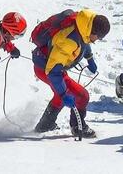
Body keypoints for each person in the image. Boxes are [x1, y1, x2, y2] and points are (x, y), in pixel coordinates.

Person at [32, 9, 110, 138]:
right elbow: (53, 72)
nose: (98, 40)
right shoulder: (68, 41)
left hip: (50, 65)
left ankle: (45, 125)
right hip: (46, 69)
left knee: (62, 94)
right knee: (81, 95)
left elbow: (84, 41)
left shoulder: (83, 24)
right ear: (93, 32)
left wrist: (89, 58)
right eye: (99, 37)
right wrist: (64, 94)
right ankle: (78, 127)